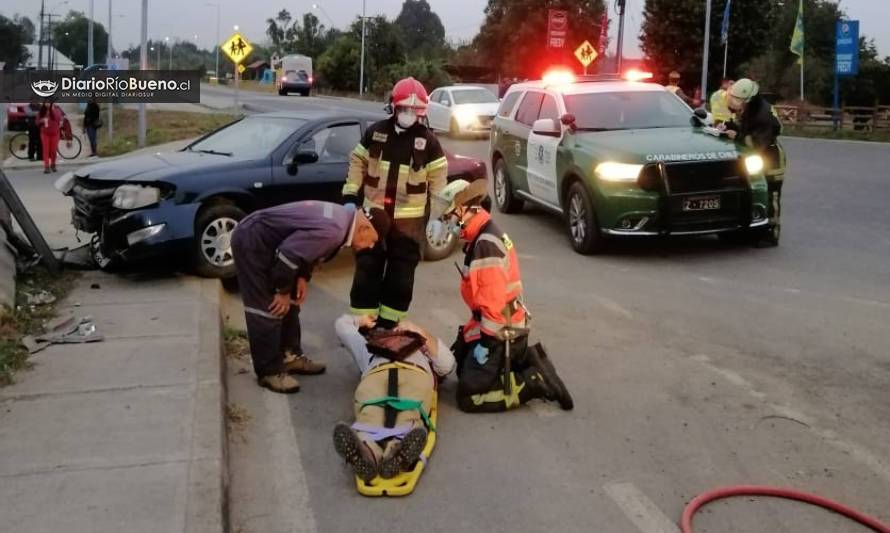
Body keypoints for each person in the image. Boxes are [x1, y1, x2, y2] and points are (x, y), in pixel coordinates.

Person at [437, 179, 573, 413]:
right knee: (460, 367)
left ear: (464, 211)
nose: (446, 222)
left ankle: (532, 382)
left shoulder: (485, 246)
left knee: (469, 395)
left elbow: (494, 306)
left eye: (448, 216)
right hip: (497, 325)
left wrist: (488, 345)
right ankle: (526, 359)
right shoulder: (481, 235)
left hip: (502, 332)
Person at [231, 201, 391, 393]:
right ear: (364, 228)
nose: (370, 246)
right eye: (372, 241)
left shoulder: (343, 221)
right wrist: (281, 291)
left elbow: (307, 250)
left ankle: (289, 357)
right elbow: (288, 255)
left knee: (291, 302)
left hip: (272, 244)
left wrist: (302, 277)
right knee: (268, 307)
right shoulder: (335, 230)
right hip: (253, 240)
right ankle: (269, 372)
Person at [342, 77, 448, 330]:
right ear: (394, 107)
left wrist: (438, 218)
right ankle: (364, 325)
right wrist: (349, 196)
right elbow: (357, 162)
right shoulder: (376, 133)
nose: (409, 114)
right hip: (373, 218)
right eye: (404, 109)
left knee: (401, 277)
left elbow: (439, 183)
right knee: (367, 271)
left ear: (422, 112)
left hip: (407, 224)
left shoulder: (429, 142)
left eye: (414, 110)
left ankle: (390, 327)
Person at [333, 316, 455, 481]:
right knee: (371, 414)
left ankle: (393, 449)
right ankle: (368, 452)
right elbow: (342, 325)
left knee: (405, 412)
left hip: (411, 375)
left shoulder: (421, 346)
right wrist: (361, 321)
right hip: (379, 376)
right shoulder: (368, 348)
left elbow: (447, 364)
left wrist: (420, 332)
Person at [722, 78, 785, 247]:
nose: (736, 104)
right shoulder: (752, 109)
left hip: (771, 159)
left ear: (748, 99)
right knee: (751, 192)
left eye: (738, 101)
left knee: (771, 195)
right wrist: (731, 127)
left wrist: (737, 136)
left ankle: (771, 234)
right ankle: (751, 228)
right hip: (758, 158)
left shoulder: (763, 115)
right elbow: (747, 128)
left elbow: (757, 144)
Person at [38, 101, 64, 174]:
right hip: (45, 133)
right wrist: (41, 121)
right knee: (46, 150)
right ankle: (46, 166)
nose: (47, 104)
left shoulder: (57, 110)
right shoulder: (42, 111)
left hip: (55, 133)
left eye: (49, 102)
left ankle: (53, 164)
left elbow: (61, 118)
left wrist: (61, 122)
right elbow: (37, 121)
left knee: (53, 150)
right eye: (45, 102)